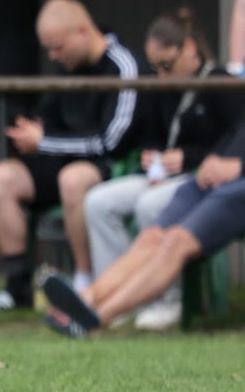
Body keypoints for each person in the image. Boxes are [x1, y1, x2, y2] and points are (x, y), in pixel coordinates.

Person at [78, 8, 241, 330]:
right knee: (126, 220)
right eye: (155, 68)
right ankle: (91, 300)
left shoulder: (223, 84)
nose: (161, 75)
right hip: (193, 180)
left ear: (189, 48)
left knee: (168, 233)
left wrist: (201, 160)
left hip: (212, 179)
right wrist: (154, 157)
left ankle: (109, 313)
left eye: (166, 65)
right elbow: (226, 141)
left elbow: (230, 138)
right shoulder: (164, 90)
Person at [0, 0, 139, 313]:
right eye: (49, 50)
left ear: (82, 32)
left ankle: (83, 282)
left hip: (109, 166)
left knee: (72, 179)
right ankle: (17, 287)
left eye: (57, 48)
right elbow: (48, 120)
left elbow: (110, 142)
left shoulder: (123, 66)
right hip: (58, 160)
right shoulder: (68, 67)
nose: (53, 56)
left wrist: (44, 142)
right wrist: (30, 131)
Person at [43, 128, 245, 338]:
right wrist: (211, 159)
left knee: (175, 241)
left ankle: (97, 318)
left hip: (238, 182)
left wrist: (238, 166)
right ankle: (87, 299)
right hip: (207, 180)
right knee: (151, 237)